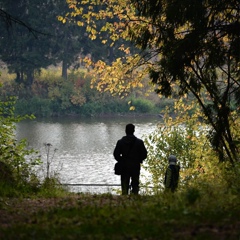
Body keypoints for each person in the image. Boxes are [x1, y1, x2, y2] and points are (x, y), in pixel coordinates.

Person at [113, 123, 147, 195]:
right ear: (134, 131)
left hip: (124, 166)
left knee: (124, 184)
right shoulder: (139, 142)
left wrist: (121, 160)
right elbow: (144, 154)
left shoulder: (120, 142)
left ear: (125, 131)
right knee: (135, 184)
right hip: (135, 165)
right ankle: (134, 199)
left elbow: (116, 154)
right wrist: (138, 159)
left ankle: (124, 199)